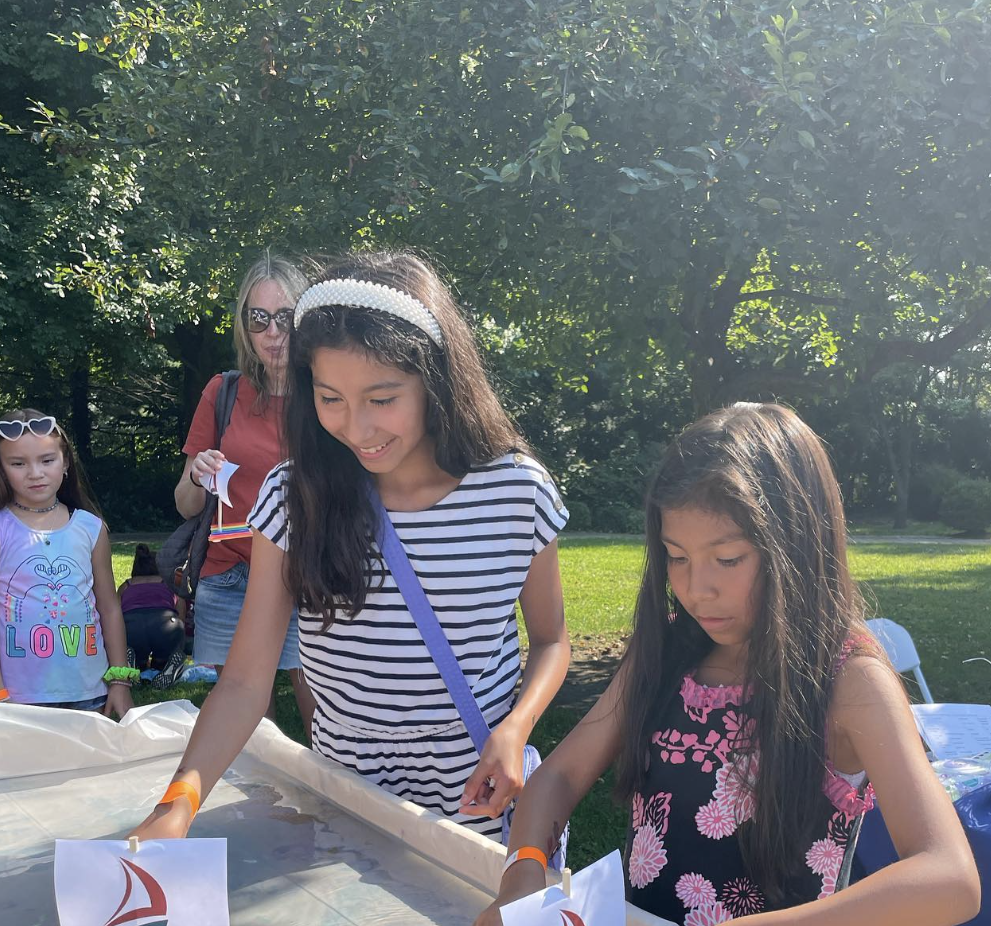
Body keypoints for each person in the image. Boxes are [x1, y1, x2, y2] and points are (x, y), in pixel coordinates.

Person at [458, 402, 980, 926]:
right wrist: (525, 870)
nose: (697, 589)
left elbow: (950, 880)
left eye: (727, 559)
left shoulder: (850, 683)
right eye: (677, 558)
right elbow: (561, 773)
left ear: (795, 543)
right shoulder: (666, 651)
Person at [128, 250, 570, 842]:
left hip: (479, 799)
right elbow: (243, 682)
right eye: (330, 398)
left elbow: (551, 641)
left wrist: (516, 728)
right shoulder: (292, 497)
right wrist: (178, 802)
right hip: (347, 798)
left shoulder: (516, 491)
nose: (356, 429)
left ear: (437, 379)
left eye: (382, 399)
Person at [174, 252, 315, 734]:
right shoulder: (224, 391)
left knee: (327, 714)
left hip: (310, 574)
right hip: (229, 573)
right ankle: (266, 812)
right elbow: (186, 504)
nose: (273, 333)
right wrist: (197, 475)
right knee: (251, 732)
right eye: (259, 319)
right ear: (244, 326)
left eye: (286, 317)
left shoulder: (330, 395)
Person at [0, 409, 133, 716]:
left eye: (47, 460)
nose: (35, 473)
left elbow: (109, 609)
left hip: (90, 692)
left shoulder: (91, 528)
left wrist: (120, 682)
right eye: (18, 463)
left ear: (66, 463)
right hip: (17, 699)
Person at [117, 542, 186, 688]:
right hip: (166, 623)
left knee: (135, 650)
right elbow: (181, 611)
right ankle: (165, 664)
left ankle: (136, 665)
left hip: (132, 624)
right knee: (167, 649)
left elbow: (115, 613)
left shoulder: (126, 585)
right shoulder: (167, 583)